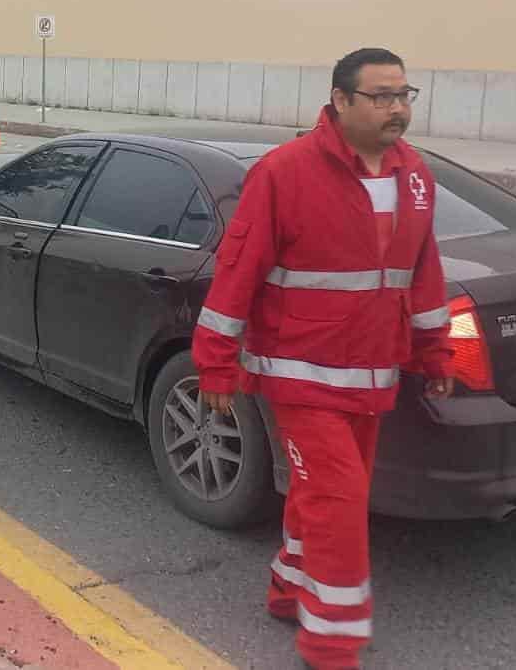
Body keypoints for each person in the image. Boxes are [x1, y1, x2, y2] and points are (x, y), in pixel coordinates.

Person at [193, 48, 454, 670]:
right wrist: (217, 363)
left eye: (405, 95)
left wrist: (435, 353)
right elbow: (238, 270)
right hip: (300, 375)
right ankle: (331, 646)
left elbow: (422, 273)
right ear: (340, 101)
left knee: (331, 494)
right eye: (382, 97)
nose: (397, 109)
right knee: (337, 502)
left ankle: (289, 587)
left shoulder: (414, 174)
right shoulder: (286, 172)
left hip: (372, 374)